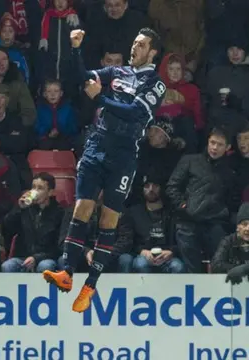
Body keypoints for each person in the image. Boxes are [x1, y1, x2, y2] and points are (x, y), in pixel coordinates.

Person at [42, 28, 166, 313]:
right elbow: (84, 78)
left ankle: (90, 286)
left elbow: (135, 112)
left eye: (141, 44)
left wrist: (99, 99)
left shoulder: (156, 83)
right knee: (81, 209)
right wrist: (75, 50)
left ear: (153, 52)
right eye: (133, 42)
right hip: (97, 144)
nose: (134, 48)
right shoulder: (117, 72)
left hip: (123, 155)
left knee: (108, 221)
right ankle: (67, 274)